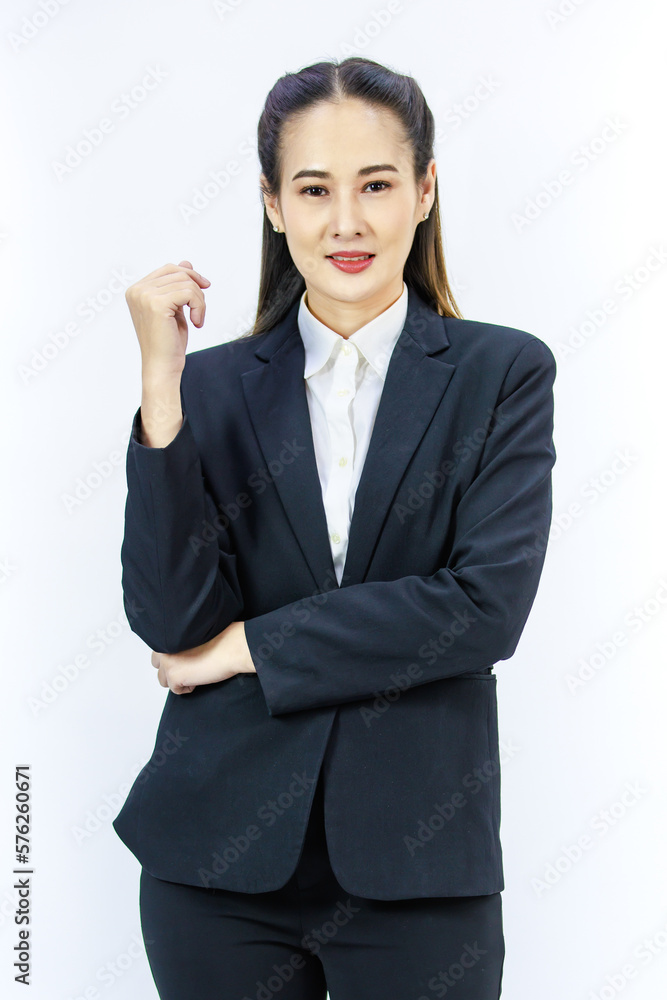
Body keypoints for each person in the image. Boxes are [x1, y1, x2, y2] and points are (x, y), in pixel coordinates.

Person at [112, 56, 557, 1000]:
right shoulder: (208, 388)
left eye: (376, 185)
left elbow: (483, 609)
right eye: (314, 189)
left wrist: (244, 649)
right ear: (273, 205)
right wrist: (161, 386)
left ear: (424, 191)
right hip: (214, 866)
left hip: (418, 866)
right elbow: (170, 620)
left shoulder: (502, 375)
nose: (346, 221)